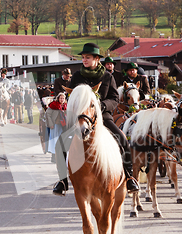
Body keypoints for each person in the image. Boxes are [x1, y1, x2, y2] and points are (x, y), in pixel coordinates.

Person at [52, 42, 139, 196]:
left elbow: (114, 98)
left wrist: (101, 106)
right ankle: (62, 180)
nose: (84, 60)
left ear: (97, 59)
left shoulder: (107, 76)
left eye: (88, 57)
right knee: (61, 142)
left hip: (102, 118)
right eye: (83, 57)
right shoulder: (78, 76)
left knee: (123, 139)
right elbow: (72, 96)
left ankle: (130, 176)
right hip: (81, 118)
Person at [46, 92, 67, 163]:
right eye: (61, 98)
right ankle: (53, 156)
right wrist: (50, 124)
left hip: (62, 126)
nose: (62, 99)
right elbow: (47, 114)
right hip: (55, 125)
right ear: (58, 98)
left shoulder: (65, 106)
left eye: (63, 98)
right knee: (54, 140)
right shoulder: (53, 105)